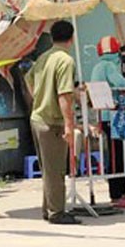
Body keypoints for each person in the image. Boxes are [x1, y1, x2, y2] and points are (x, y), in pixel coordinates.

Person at [25, 20, 79, 225]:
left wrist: (39, 98)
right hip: (52, 121)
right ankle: (57, 212)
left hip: (37, 118)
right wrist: (69, 125)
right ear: (71, 38)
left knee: (48, 168)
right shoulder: (65, 61)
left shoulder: (43, 58)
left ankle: (49, 208)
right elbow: (65, 95)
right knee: (56, 170)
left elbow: (28, 79)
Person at [89, 36, 125, 208]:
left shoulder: (97, 66)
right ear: (116, 51)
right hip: (114, 118)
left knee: (119, 153)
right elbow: (118, 82)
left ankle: (120, 192)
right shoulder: (109, 66)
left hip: (105, 118)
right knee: (121, 154)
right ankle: (116, 195)